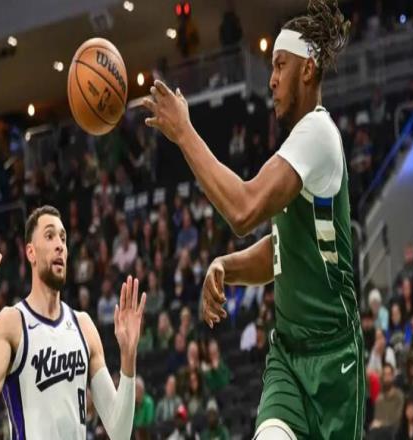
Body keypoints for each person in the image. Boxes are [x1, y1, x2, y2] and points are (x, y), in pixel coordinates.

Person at [142, 0, 363, 438]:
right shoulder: (296, 146)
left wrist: (184, 132)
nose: (272, 79)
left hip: (335, 362)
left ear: (308, 69)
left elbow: (242, 211)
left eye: (281, 65)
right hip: (288, 358)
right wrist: (227, 265)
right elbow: (281, 251)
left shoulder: (318, 133)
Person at [0, 205, 147, 439]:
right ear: (31, 253)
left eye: (63, 238)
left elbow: (120, 432)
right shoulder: (13, 323)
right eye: (50, 236)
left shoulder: (84, 326)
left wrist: (128, 357)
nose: (60, 245)